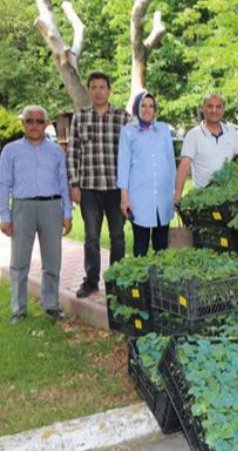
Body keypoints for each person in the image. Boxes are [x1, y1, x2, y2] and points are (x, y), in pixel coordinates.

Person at [0, 106, 73, 323]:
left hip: (51, 207)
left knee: (52, 261)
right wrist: (4, 215)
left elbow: (63, 184)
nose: (34, 125)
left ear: (46, 124)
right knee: (19, 261)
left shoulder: (56, 151)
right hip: (23, 208)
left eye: (39, 121)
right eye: (30, 121)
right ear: (23, 123)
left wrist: (66, 213)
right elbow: (3, 184)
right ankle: (18, 310)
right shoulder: (10, 151)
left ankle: (51, 305)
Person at [67, 72, 130, 298]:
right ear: (89, 91)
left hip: (116, 188)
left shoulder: (123, 118)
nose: (98, 91)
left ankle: (117, 281)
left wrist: (129, 189)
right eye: (93, 87)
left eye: (102, 87)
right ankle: (91, 281)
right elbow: (73, 152)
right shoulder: (80, 117)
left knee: (117, 236)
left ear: (109, 90)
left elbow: (132, 154)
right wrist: (74, 183)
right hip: (90, 188)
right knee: (91, 236)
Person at [117, 91, 176, 257]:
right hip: (139, 198)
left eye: (151, 106)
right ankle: (141, 282)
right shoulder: (128, 131)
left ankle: (159, 281)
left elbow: (171, 163)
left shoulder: (163, 130)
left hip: (163, 198)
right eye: (143, 105)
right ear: (137, 107)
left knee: (161, 246)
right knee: (140, 247)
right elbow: (123, 165)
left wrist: (175, 193)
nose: (147, 109)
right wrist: (124, 198)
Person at [173, 94, 238, 206]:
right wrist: (177, 196)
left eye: (218, 107)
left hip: (229, 198)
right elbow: (184, 166)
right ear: (202, 109)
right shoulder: (194, 134)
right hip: (204, 199)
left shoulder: (231, 132)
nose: (214, 110)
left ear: (223, 110)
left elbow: (237, 161)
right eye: (210, 106)